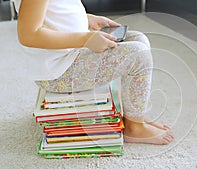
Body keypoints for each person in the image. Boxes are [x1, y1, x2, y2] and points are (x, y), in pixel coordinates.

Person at [16, 0, 174, 145]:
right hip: (60, 70)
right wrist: (86, 38)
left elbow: (55, 10)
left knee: (138, 38)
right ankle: (135, 128)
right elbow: (29, 34)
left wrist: (86, 19)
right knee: (137, 55)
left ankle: (134, 116)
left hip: (70, 54)